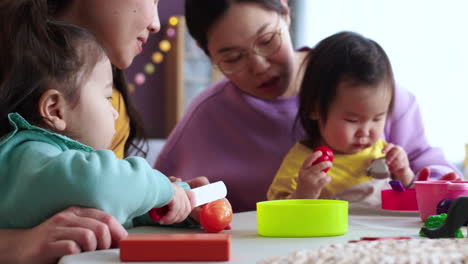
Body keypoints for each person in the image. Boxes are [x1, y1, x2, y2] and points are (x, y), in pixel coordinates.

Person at [155, 0, 460, 213]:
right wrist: (189, 199)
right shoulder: (208, 116)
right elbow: (162, 195)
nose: (259, 66)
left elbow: (436, 176)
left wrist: (423, 178)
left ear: (285, 11)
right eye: (233, 58)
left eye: (267, 40)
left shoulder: (367, 90)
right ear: (206, 52)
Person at [0, 1, 207, 263]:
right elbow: (98, 183)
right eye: (106, 98)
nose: (114, 113)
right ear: (55, 110)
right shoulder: (28, 154)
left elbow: (101, 207)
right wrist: (162, 188)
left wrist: (166, 207)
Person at [267, 31, 414, 207]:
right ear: (314, 108)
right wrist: (304, 193)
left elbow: (408, 202)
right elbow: (277, 211)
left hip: (385, 234)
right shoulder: (305, 162)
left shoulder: (384, 154)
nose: (365, 132)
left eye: (377, 118)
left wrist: (405, 174)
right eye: (352, 120)